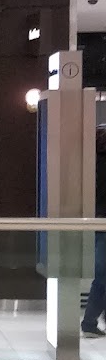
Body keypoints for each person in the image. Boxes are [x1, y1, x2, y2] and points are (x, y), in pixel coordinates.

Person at [82, 127, 106, 337]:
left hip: (97, 221)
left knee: (102, 275)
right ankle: (89, 322)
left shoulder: (90, 162)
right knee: (102, 276)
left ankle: (90, 321)